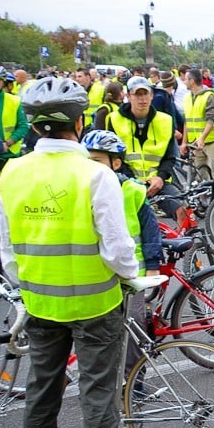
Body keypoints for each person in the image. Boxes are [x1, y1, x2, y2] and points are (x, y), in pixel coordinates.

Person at [0, 77, 152, 428]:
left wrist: (30, 285)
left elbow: (8, 250)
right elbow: (119, 250)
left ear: (33, 125)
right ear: (79, 123)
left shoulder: (12, 172)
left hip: (40, 304)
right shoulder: (95, 174)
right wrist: (129, 277)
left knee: (40, 394)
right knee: (98, 397)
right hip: (95, 305)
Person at [81, 129, 163, 393]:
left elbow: (150, 233)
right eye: (87, 160)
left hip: (131, 275)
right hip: (98, 275)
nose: (91, 167)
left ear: (116, 163)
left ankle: (134, 383)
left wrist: (152, 267)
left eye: (98, 160)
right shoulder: (84, 189)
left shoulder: (133, 191)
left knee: (134, 332)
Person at [106, 77, 185, 227]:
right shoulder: (113, 120)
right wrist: (133, 181)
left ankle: (182, 249)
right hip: (126, 182)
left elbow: (170, 157)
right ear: (128, 96)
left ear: (151, 96)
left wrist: (160, 178)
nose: (142, 99)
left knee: (183, 211)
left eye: (146, 94)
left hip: (157, 182)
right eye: (137, 95)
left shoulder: (165, 121)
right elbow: (112, 158)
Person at [181, 68, 214, 184]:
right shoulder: (187, 98)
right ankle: (205, 198)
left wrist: (202, 138)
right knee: (199, 173)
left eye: (186, 79)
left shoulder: (209, 96)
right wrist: (184, 142)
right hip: (196, 143)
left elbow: (211, 119)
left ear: (192, 81)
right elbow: (187, 121)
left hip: (212, 141)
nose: (184, 81)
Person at [0, 66, 29, 164]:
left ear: (3, 81)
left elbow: (23, 126)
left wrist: (8, 143)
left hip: (8, 154)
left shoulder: (14, 101)